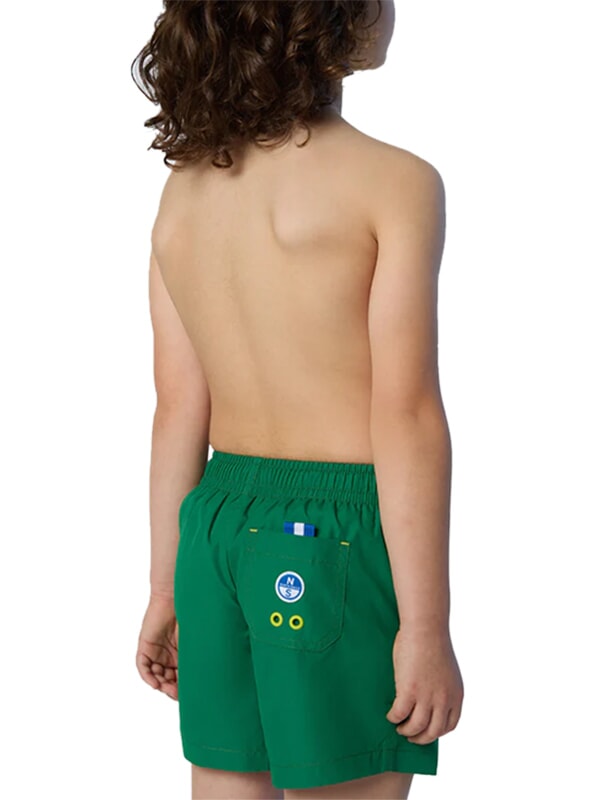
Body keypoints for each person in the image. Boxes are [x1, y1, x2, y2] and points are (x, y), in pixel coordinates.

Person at [132, 2, 464, 798]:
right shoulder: (395, 184)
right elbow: (407, 415)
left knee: (225, 781)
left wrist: (165, 586)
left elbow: (177, 410)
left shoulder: (184, 193)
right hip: (330, 537)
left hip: (214, 528)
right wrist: (424, 625)